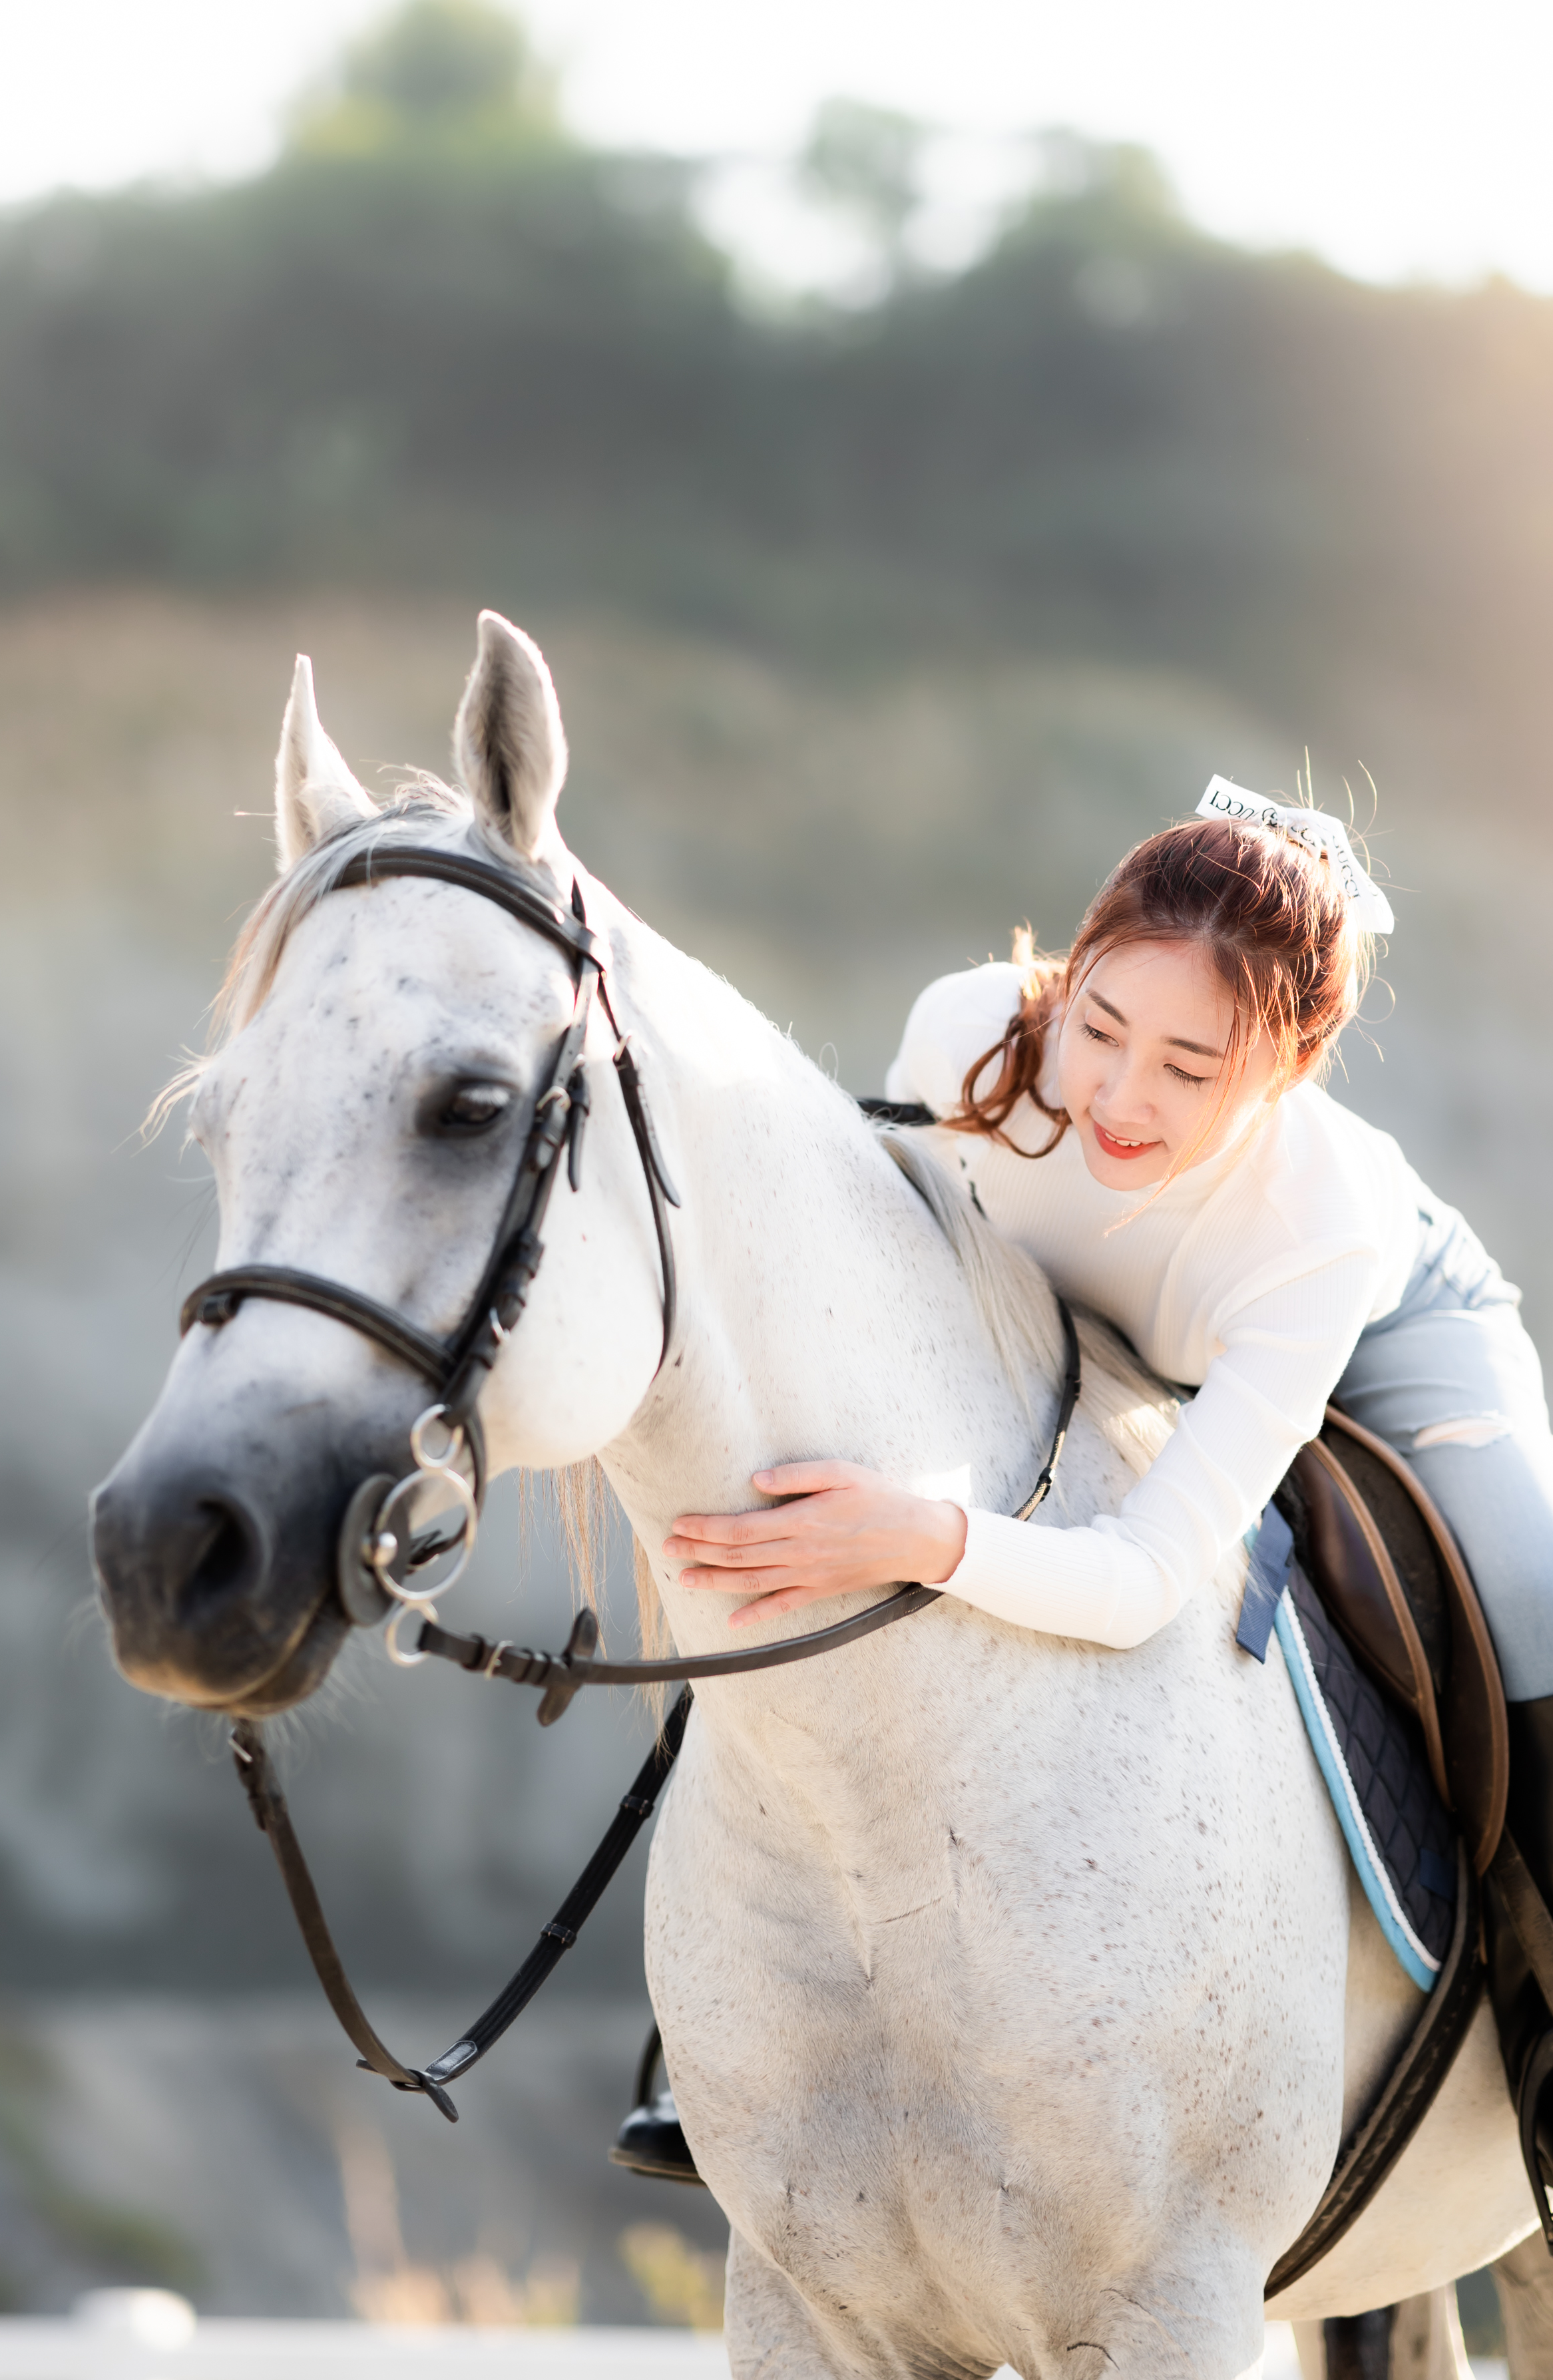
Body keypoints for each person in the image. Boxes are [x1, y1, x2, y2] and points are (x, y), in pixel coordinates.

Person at [641, 777, 1553, 2210]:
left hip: (1381, 1329)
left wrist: (927, 1534)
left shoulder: (1317, 1220)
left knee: (1529, 1597)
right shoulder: (965, 1034)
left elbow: (1140, 1580)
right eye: (1099, 1025)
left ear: (1287, 1069)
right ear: (1063, 975)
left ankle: (1540, 2035)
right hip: (1076, 1337)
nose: (1120, 1098)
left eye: (1190, 1069)